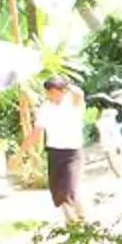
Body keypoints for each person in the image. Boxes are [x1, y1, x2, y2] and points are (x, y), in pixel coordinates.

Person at [34, 75, 85, 219]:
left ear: (61, 91)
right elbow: (37, 131)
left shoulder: (73, 103)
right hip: (54, 152)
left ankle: (79, 220)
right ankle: (75, 219)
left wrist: (65, 85)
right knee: (58, 192)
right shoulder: (45, 107)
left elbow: (79, 94)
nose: (49, 94)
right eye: (47, 92)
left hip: (72, 152)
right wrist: (22, 154)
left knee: (69, 189)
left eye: (52, 91)